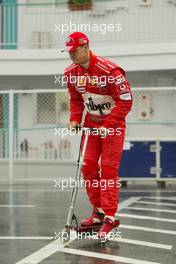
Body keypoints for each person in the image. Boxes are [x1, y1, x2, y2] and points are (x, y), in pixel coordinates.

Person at [63, 32, 132, 239]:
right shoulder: (70, 74)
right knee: (88, 165)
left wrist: (109, 123)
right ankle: (98, 211)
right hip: (91, 125)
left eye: (75, 52)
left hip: (113, 126)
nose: (72, 56)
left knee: (109, 170)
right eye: (69, 53)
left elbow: (126, 101)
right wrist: (75, 118)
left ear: (85, 47)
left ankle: (110, 216)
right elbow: (76, 100)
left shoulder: (110, 70)